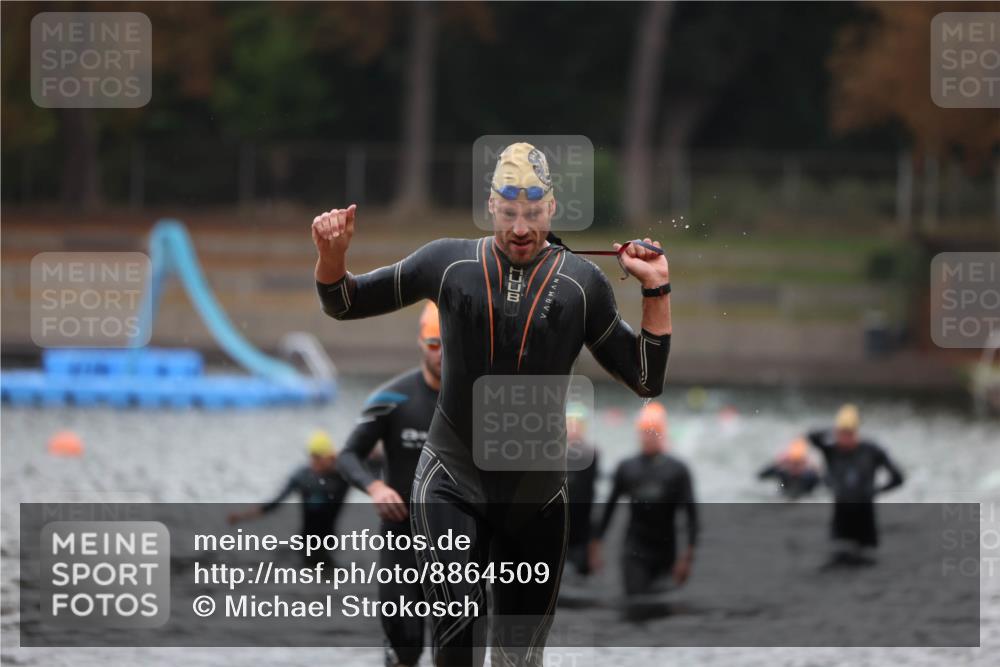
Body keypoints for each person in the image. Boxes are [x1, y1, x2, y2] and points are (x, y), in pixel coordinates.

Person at [312, 141, 672, 666]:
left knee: (518, 659)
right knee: (458, 618)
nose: (520, 229)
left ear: (551, 208)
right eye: (507, 214)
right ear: (490, 207)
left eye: (531, 213)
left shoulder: (582, 285)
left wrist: (657, 290)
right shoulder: (448, 263)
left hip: (538, 495)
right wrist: (331, 257)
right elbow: (344, 303)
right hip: (452, 481)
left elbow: (645, 378)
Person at [337, 301, 441, 667]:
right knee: (405, 646)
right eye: (433, 345)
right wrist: (375, 488)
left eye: (449, 345)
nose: (441, 353)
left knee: (459, 651)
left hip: (460, 543)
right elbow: (347, 455)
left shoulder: (478, 398)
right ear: (420, 343)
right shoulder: (391, 398)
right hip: (402, 538)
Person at [590, 402, 698, 603]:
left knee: (661, 611)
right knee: (636, 605)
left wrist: (687, 557)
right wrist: (596, 545)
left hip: (666, 552)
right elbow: (609, 509)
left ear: (663, 434)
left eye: (654, 432)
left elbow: (691, 515)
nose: (648, 437)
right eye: (644, 432)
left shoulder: (677, 470)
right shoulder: (627, 468)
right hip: (634, 550)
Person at [228, 430, 349, 564]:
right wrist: (241, 516)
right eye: (312, 457)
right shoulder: (303, 476)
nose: (315, 462)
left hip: (329, 546)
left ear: (330, 457)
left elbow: (370, 465)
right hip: (303, 544)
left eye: (319, 457)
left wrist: (344, 458)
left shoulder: (342, 477)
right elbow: (274, 503)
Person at [807, 403, 904, 563]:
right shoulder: (832, 451)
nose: (844, 438)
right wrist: (833, 428)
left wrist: (878, 490)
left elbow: (898, 477)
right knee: (838, 557)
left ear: (856, 432)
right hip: (841, 519)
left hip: (865, 518)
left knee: (868, 560)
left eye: (849, 433)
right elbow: (811, 436)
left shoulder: (871, 451)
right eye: (841, 433)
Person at [564, 401, 599, 577]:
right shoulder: (551, 452)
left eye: (578, 425)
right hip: (557, 526)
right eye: (570, 424)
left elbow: (591, 495)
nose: (574, 429)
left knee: (580, 574)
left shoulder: (591, 454)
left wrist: (594, 542)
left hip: (581, 529)